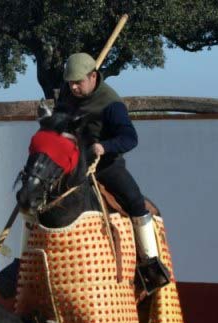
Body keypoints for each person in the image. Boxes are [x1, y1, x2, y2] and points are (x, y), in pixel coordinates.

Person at [56, 52, 169, 293]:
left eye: (78, 82)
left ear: (93, 77)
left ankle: (150, 263)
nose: (73, 87)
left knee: (135, 201)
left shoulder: (111, 102)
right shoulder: (66, 95)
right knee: (37, 194)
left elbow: (130, 138)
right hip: (70, 162)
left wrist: (104, 146)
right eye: (70, 83)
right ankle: (23, 262)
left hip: (104, 165)